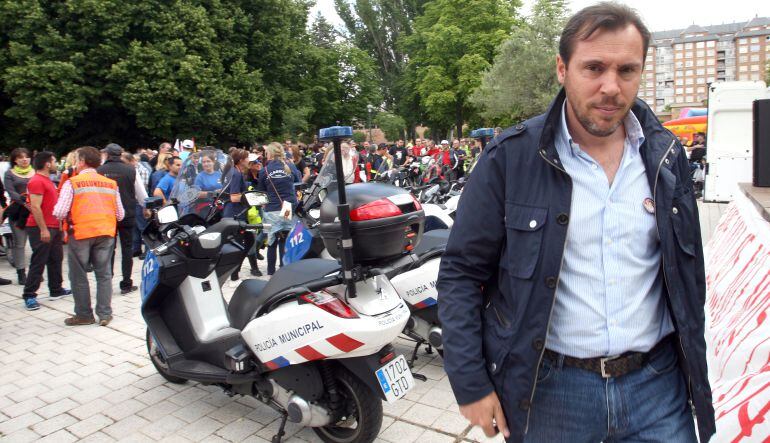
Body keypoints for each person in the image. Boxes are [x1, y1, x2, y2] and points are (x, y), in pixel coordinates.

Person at [436, 3, 714, 443]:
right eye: (594, 68)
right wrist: (470, 383)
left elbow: (689, 272)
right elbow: (461, 273)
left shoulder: (666, 156)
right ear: (562, 69)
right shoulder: (510, 158)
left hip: (658, 390)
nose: (611, 87)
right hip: (551, 395)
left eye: (627, 70)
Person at [54, 147, 123, 325]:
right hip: (105, 232)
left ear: (82, 161)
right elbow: (120, 214)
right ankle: (105, 314)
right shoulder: (110, 183)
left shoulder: (73, 183)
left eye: (77, 159)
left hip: (81, 233)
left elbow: (60, 211)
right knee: (104, 274)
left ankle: (84, 315)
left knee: (78, 275)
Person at [22, 152, 71, 311]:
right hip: (40, 227)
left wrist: (58, 226)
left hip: (53, 226)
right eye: (54, 161)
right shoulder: (36, 181)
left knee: (56, 258)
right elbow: (35, 207)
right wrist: (43, 229)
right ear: (47, 164)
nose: (57, 164)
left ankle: (56, 289)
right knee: (39, 261)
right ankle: (29, 295)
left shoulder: (47, 180)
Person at [98, 144, 139, 294]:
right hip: (127, 213)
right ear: (121, 154)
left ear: (107, 154)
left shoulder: (99, 171)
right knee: (127, 248)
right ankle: (126, 283)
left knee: (109, 248)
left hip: (107, 215)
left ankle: (107, 282)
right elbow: (139, 192)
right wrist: (146, 207)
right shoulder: (131, 169)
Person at [256, 143, 299, 276]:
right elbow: (298, 183)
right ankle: (283, 269)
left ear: (269, 154)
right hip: (287, 208)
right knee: (284, 238)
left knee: (271, 241)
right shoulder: (290, 166)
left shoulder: (265, 170)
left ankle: (270, 271)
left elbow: (261, 192)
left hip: (271, 208)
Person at [3, 148, 35, 285]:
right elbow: (11, 192)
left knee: (36, 244)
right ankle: (21, 273)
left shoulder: (35, 171)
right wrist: (25, 202)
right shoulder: (9, 173)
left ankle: (35, 271)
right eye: (21, 157)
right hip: (18, 212)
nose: (24, 159)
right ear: (15, 160)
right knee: (20, 244)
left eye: (26, 156)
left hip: (35, 212)